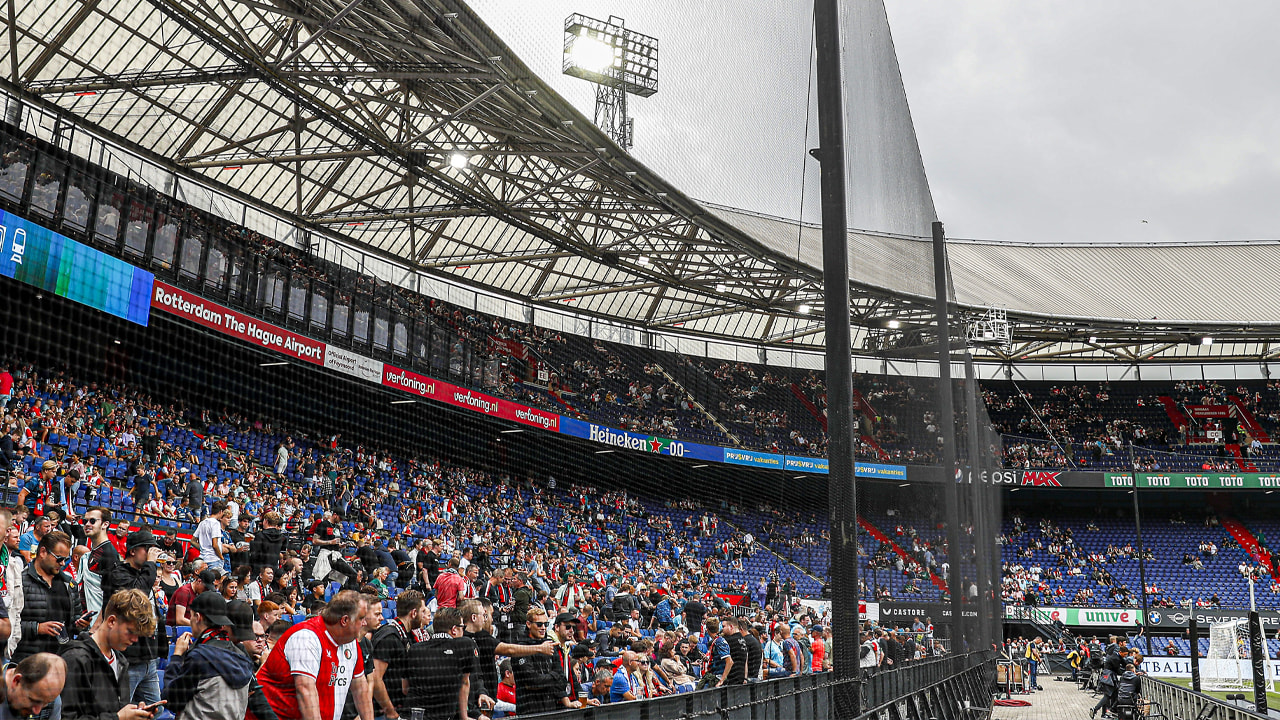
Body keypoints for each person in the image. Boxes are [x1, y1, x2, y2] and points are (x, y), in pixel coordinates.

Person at [254, 589, 373, 720]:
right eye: (361, 618)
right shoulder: (306, 637)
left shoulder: (350, 641)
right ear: (344, 620)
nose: (365, 623)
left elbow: (361, 688)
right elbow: (306, 692)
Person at [60, 588, 158, 720]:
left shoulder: (120, 660)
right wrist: (118, 718)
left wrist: (134, 714)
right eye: (130, 632)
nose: (135, 640)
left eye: (138, 635)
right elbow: (68, 717)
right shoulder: (76, 659)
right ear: (112, 621)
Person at [163, 592, 257, 719]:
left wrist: (177, 656)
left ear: (198, 617)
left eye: (191, 616)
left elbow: (171, 700)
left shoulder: (199, 657)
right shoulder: (241, 654)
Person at [104, 530, 166, 706]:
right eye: (148, 549)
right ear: (133, 551)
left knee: (155, 708)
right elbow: (136, 598)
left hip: (149, 658)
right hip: (129, 658)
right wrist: (151, 565)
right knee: (121, 708)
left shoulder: (144, 575)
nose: (151, 554)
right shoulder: (118, 573)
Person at [13, 531, 86, 662]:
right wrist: (37, 628)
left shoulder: (69, 584)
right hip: (28, 660)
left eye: (65, 559)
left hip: (60, 660)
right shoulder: (20, 582)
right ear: (42, 552)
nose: (63, 563)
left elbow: (75, 619)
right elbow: (10, 625)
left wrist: (80, 624)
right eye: (59, 558)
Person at [402, 607, 476, 720]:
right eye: (462, 627)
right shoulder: (464, 644)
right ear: (454, 629)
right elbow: (465, 683)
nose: (464, 631)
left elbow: (405, 688)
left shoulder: (415, 648)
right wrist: (464, 716)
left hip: (411, 715)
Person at [510, 606, 587, 715]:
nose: (543, 628)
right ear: (528, 624)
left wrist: (551, 679)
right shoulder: (520, 648)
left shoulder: (550, 645)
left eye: (545, 624)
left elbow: (561, 677)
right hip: (529, 709)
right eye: (539, 624)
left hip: (551, 708)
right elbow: (532, 681)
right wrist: (553, 677)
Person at [369, 590, 427, 720]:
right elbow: (375, 678)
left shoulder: (405, 635)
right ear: (413, 613)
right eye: (422, 611)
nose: (425, 616)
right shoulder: (389, 636)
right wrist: (390, 712)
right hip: (381, 713)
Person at [0, 653, 66, 720]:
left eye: (45, 704)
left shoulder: (52, 699)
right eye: (34, 701)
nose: (37, 711)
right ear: (17, 681)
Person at [78, 506, 118, 616]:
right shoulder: (93, 552)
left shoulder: (109, 554)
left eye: (92, 521)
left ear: (105, 524)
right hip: (87, 618)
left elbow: (111, 596)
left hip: (100, 622)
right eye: (85, 521)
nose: (87, 524)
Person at [196, 501, 230, 573]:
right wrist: (221, 557)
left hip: (203, 559)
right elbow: (215, 545)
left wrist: (203, 549)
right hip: (214, 560)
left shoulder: (202, 522)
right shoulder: (216, 524)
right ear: (221, 511)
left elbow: (192, 541)